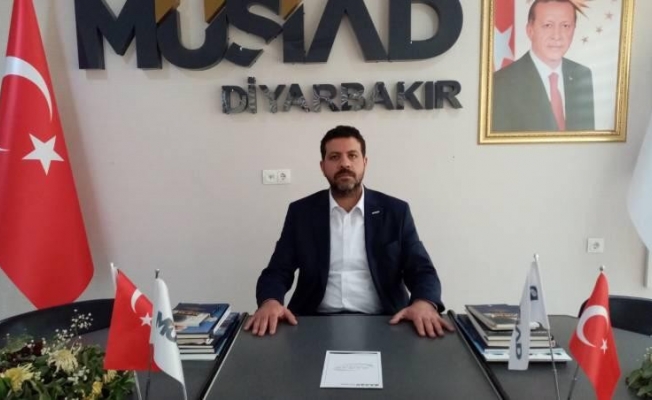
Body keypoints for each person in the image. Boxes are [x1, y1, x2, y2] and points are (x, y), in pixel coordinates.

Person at [244, 125, 453, 338]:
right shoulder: (302, 213)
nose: (344, 163)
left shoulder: (395, 211)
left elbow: (421, 270)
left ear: (365, 162)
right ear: (323, 166)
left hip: (385, 321)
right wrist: (270, 302)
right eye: (334, 157)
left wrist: (423, 302)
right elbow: (278, 270)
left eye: (352, 155)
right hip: (313, 322)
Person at [492, 0, 594, 132]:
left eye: (565, 26)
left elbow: (586, 138)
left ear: (574, 29)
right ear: (530, 30)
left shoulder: (582, 74)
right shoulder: (502, 82)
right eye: (547, 25)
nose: (557, 36)